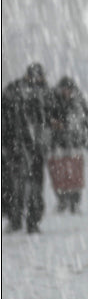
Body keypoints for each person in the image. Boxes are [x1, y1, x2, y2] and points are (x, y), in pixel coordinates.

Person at [1, 63, 52, 233]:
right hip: (19, 144)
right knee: (24, 184)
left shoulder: (18, 90)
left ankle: (24, 220)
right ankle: (27, 220)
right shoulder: (20, 92)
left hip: (25, 145)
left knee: (23, 184)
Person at [47, 76, 88, 212]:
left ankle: (74, 202)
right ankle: (62, 201)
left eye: (69, 89)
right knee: (58, 174)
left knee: (75, 174)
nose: (67, 92)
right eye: (64, 89)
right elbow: (45, 117)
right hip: (57, 144)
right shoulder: (52, 100)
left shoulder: (79, 100)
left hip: (74, 143)